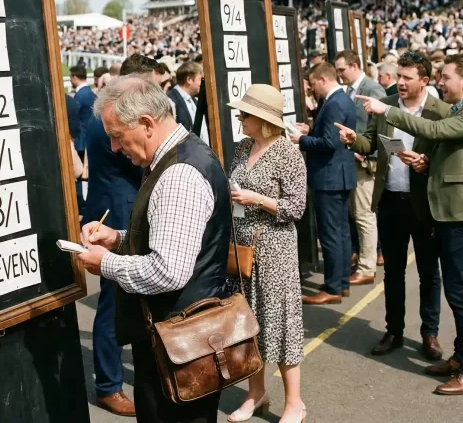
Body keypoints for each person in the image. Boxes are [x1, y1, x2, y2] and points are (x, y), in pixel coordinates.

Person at [77, 75, 232, 423]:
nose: (115, 148)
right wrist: (116, 238)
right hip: (178, 338)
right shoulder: (175, 158)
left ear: (146, 124)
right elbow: (170, 238)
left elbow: (168, 270)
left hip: (180, 342)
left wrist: (107, 264)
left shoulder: (178, 173)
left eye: (117, 136)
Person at [355, 54, 463, 396]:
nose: (440, 82)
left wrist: (386, 110)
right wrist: (427, 162)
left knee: (461, 294)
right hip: (451, 213)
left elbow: (434, 130)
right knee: (454, 289)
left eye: (445, 77)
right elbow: (453, 155)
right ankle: (461, 358)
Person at [338, 52, 446, 361]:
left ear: (424, 81)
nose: (399, 82)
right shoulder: (384, 105)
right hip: (390, 201)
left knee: (429, 272)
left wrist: (428, 162)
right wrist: (352, 139)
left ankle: (430, 333)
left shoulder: (440, 111)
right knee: (394, 272)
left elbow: (447, 153)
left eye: (407, 78)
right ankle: (394, 330)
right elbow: (370, 143)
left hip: (424, 203)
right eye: (398, 76)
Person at [80, 56, 160, 418]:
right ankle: (108, 386)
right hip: (119, 208)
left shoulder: (108, 111)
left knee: (119, 305)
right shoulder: (113, 119)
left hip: (114, 205)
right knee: (113, 307)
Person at [225, 85, 308, 423]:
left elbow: (297, 207)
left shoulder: (288, 153)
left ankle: (295, 403)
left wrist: (256, 199)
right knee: (248, 324)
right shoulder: (243, 146)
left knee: (282, 324)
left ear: (261, 119)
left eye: (244, 114)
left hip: (275, 249)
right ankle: (256, 393)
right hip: (243, 247)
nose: (239, 117)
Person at [291, 62, 357, 305]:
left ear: (321, 79)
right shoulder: (340, 100)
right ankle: (341, 282)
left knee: (331, 234)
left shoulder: (335, 103)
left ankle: (332, 286)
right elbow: (330, 136)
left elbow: (329, 143)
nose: (312, 89)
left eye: (312, 83)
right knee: (340, 232)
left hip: (329, 177)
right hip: (338, 174)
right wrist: (311, 131)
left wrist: (302, 139)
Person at [334, 50, 386, 285]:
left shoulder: (373, 90)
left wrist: (366, 153)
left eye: (342, 70)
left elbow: (384, 128)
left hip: (365, 162)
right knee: (357, 214)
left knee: (364, 215)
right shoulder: (350, 90)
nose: (339, 74)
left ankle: (367, 267)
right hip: (353, 159)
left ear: (354, 66)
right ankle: (364, 260)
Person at [166, 61, 207, 143]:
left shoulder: (195, 100)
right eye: (200, 79)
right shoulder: (169, 100)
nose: (202, 84)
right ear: (189, 79)